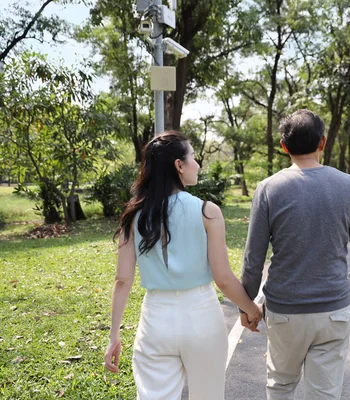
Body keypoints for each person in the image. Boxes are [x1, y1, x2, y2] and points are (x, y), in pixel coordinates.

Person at [103, 131, 262, 400]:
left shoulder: (135, 215)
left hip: (155, 320)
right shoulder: (207, 211)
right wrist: (252, 309)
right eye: (193, 158)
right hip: (202, 317)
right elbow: (223, 278)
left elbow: (122, 281)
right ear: (179, 165)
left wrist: (114, 336)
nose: (197, 165)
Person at [240, 109, 350, 399]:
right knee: (323, 393)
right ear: (322, 143)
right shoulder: (349, 185)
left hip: (285, 311)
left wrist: (247, 306)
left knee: (281, 385)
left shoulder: (268, 189)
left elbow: (253, 260)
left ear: (284, 147)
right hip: (333, 310)